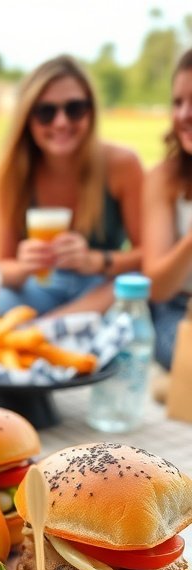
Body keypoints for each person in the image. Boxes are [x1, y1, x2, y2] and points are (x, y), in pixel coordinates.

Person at [0, 54, 143, 318]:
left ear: (91, 112)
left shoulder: (121, 164)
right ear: (27, 118)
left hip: (98, 287)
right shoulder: (15, 173)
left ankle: (50, 327)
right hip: (40, 287)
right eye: (46, 112)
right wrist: (24, 265)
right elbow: (3, 268)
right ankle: (55, 330)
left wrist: (94, 261)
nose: (61, 122)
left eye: (74, 108)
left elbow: (148, 257)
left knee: (129, 286)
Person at [142, 49, 192, 370]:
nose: (185, 114)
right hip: (177, 309)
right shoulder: (163, 178)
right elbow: (157, 288)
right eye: (177, 102)